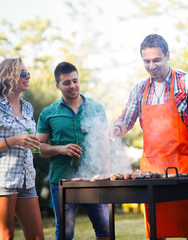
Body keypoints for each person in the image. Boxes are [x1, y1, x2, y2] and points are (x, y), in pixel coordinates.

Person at [107, 33, 188, 239]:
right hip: (151, 171)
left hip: (181, 166)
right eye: (146, 61)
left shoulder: (187, 83)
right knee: (155, 229)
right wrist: (116, 129)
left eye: (156, 60)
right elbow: (127, 117)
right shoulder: (140, 88)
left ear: (167, 55)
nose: (151, 66)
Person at [0, 57, 45, 240]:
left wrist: (57, 148)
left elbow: (31, 143)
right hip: (0, 180)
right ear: (7, 78)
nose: (28, 76)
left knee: (37, 237)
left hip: (26, 180)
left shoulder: (27, 108)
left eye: (28, 72)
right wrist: (12, 140)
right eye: (22, 73)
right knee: (5, 236)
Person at [36, 62, 110, 240]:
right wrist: (60, 148)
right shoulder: (49, 113)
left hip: (94, 179)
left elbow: (104, 145)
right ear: (58, 86)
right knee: (65, 233)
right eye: (67, 83)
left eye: (75, 81)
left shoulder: (96, 108)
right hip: (62, 181)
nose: (73, 86)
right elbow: (38, 148)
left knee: (105, 229)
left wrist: (107, 175)